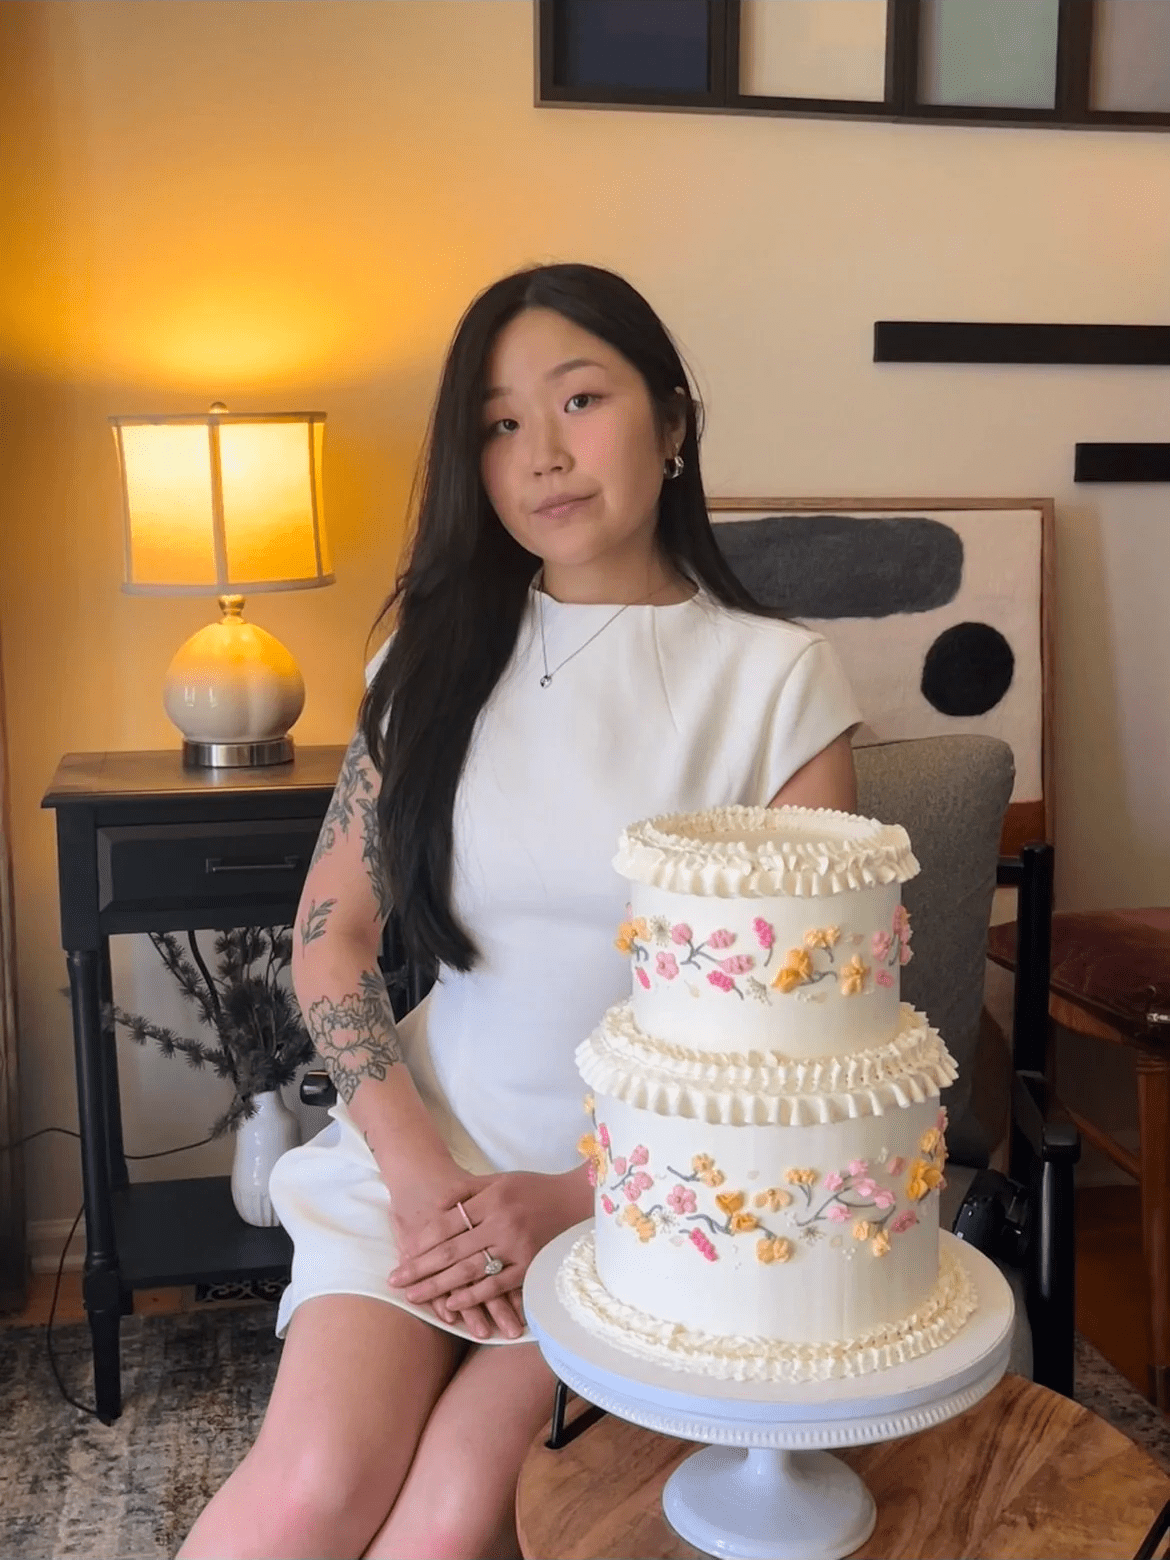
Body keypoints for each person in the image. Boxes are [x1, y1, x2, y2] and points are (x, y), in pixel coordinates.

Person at [177, 262, 861, 1560]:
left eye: (580, 400)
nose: (541, 453)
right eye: (498, 424)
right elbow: (331, 943)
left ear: (671, 421)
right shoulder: (427, 660)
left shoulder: (780, 682)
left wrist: (574, 1196)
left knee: (446, 1520)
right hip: (419, 1154)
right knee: (313, 1486)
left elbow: (803, 1045)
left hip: (645, 1201)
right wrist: (421, 1181)